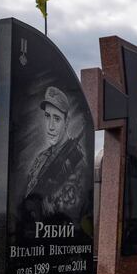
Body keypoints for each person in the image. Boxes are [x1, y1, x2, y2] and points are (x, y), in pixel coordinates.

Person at [23, 86, 88, 224]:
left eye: (57, 119)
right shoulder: (41, 158)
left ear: (67, 122)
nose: (50, 126)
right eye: (47, 116)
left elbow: (70, 207)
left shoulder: (77, 162)